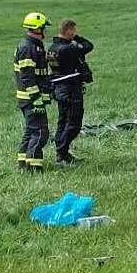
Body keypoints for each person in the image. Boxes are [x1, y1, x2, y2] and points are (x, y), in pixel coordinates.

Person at [48, 19, 94, 165]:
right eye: (73, 30)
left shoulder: (53, 48)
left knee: (63, 121)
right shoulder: (67, 49)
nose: (75, 33)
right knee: (74, 123)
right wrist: (76, 38)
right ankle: (62, 152)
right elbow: (88, 46)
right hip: (70, 88)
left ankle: (62, 153)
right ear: (68, 30)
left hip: (59, 87)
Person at [15, 12, 54, 172]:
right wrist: (37, 99)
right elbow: (27, 77)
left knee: (31, 131)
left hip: (31, 97)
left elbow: (40, 74)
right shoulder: (28, 48)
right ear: (38, 29)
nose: (46, 31)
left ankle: (23, 163)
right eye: (44, 28)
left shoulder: (34, 45)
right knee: (40, 132)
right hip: (30, 98)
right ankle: (34, 166)